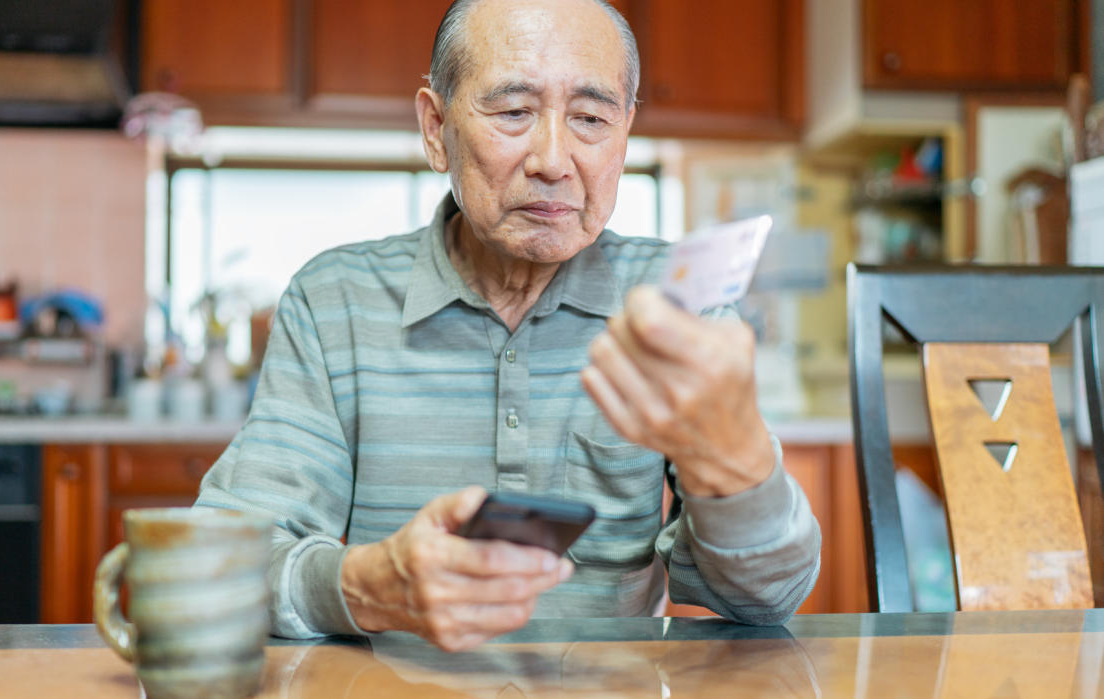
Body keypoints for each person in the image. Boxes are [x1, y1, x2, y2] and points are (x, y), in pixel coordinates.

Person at [196, 0, 820, 652]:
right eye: (514, 112)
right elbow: (221, 561)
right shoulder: (335, 303)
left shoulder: (676, 307)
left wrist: (736, 459)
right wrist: (367, 586)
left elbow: (770, 597)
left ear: (626, 132)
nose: (553, 159)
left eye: (590, 118)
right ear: (435, 128)